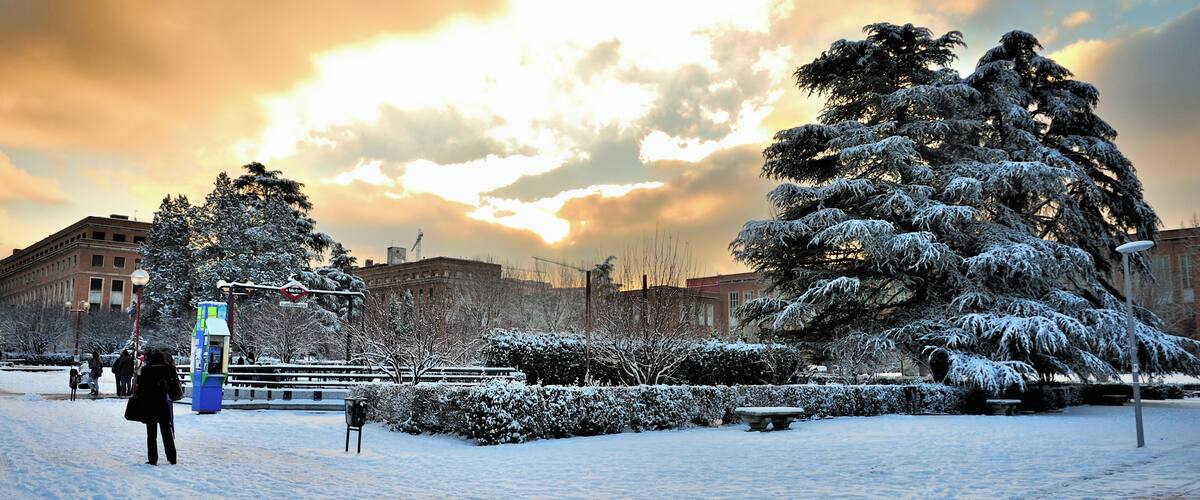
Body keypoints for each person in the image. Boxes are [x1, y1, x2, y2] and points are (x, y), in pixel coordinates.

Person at [134, 349, 183, 465]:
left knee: (151, 435)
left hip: (150, 405)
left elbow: (140, 390)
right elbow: (173, 386)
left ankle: (152, 459)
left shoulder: (146, 371)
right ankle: (172, 458)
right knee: (167, 433)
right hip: (163, 405)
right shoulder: (169, 370)